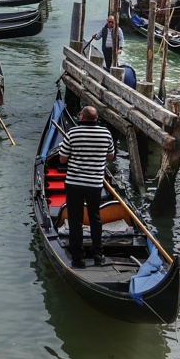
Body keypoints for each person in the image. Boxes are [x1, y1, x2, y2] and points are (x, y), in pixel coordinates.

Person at [58, 106, 116, 268]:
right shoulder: (105, 133)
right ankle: (98, 255)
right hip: (94, 184)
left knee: (75, 221)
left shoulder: (73, 133)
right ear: (96, 118)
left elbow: (62, 160)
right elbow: (111, 156)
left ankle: (78, 258)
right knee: (95, 218)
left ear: (82, 117)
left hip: (75, 183)